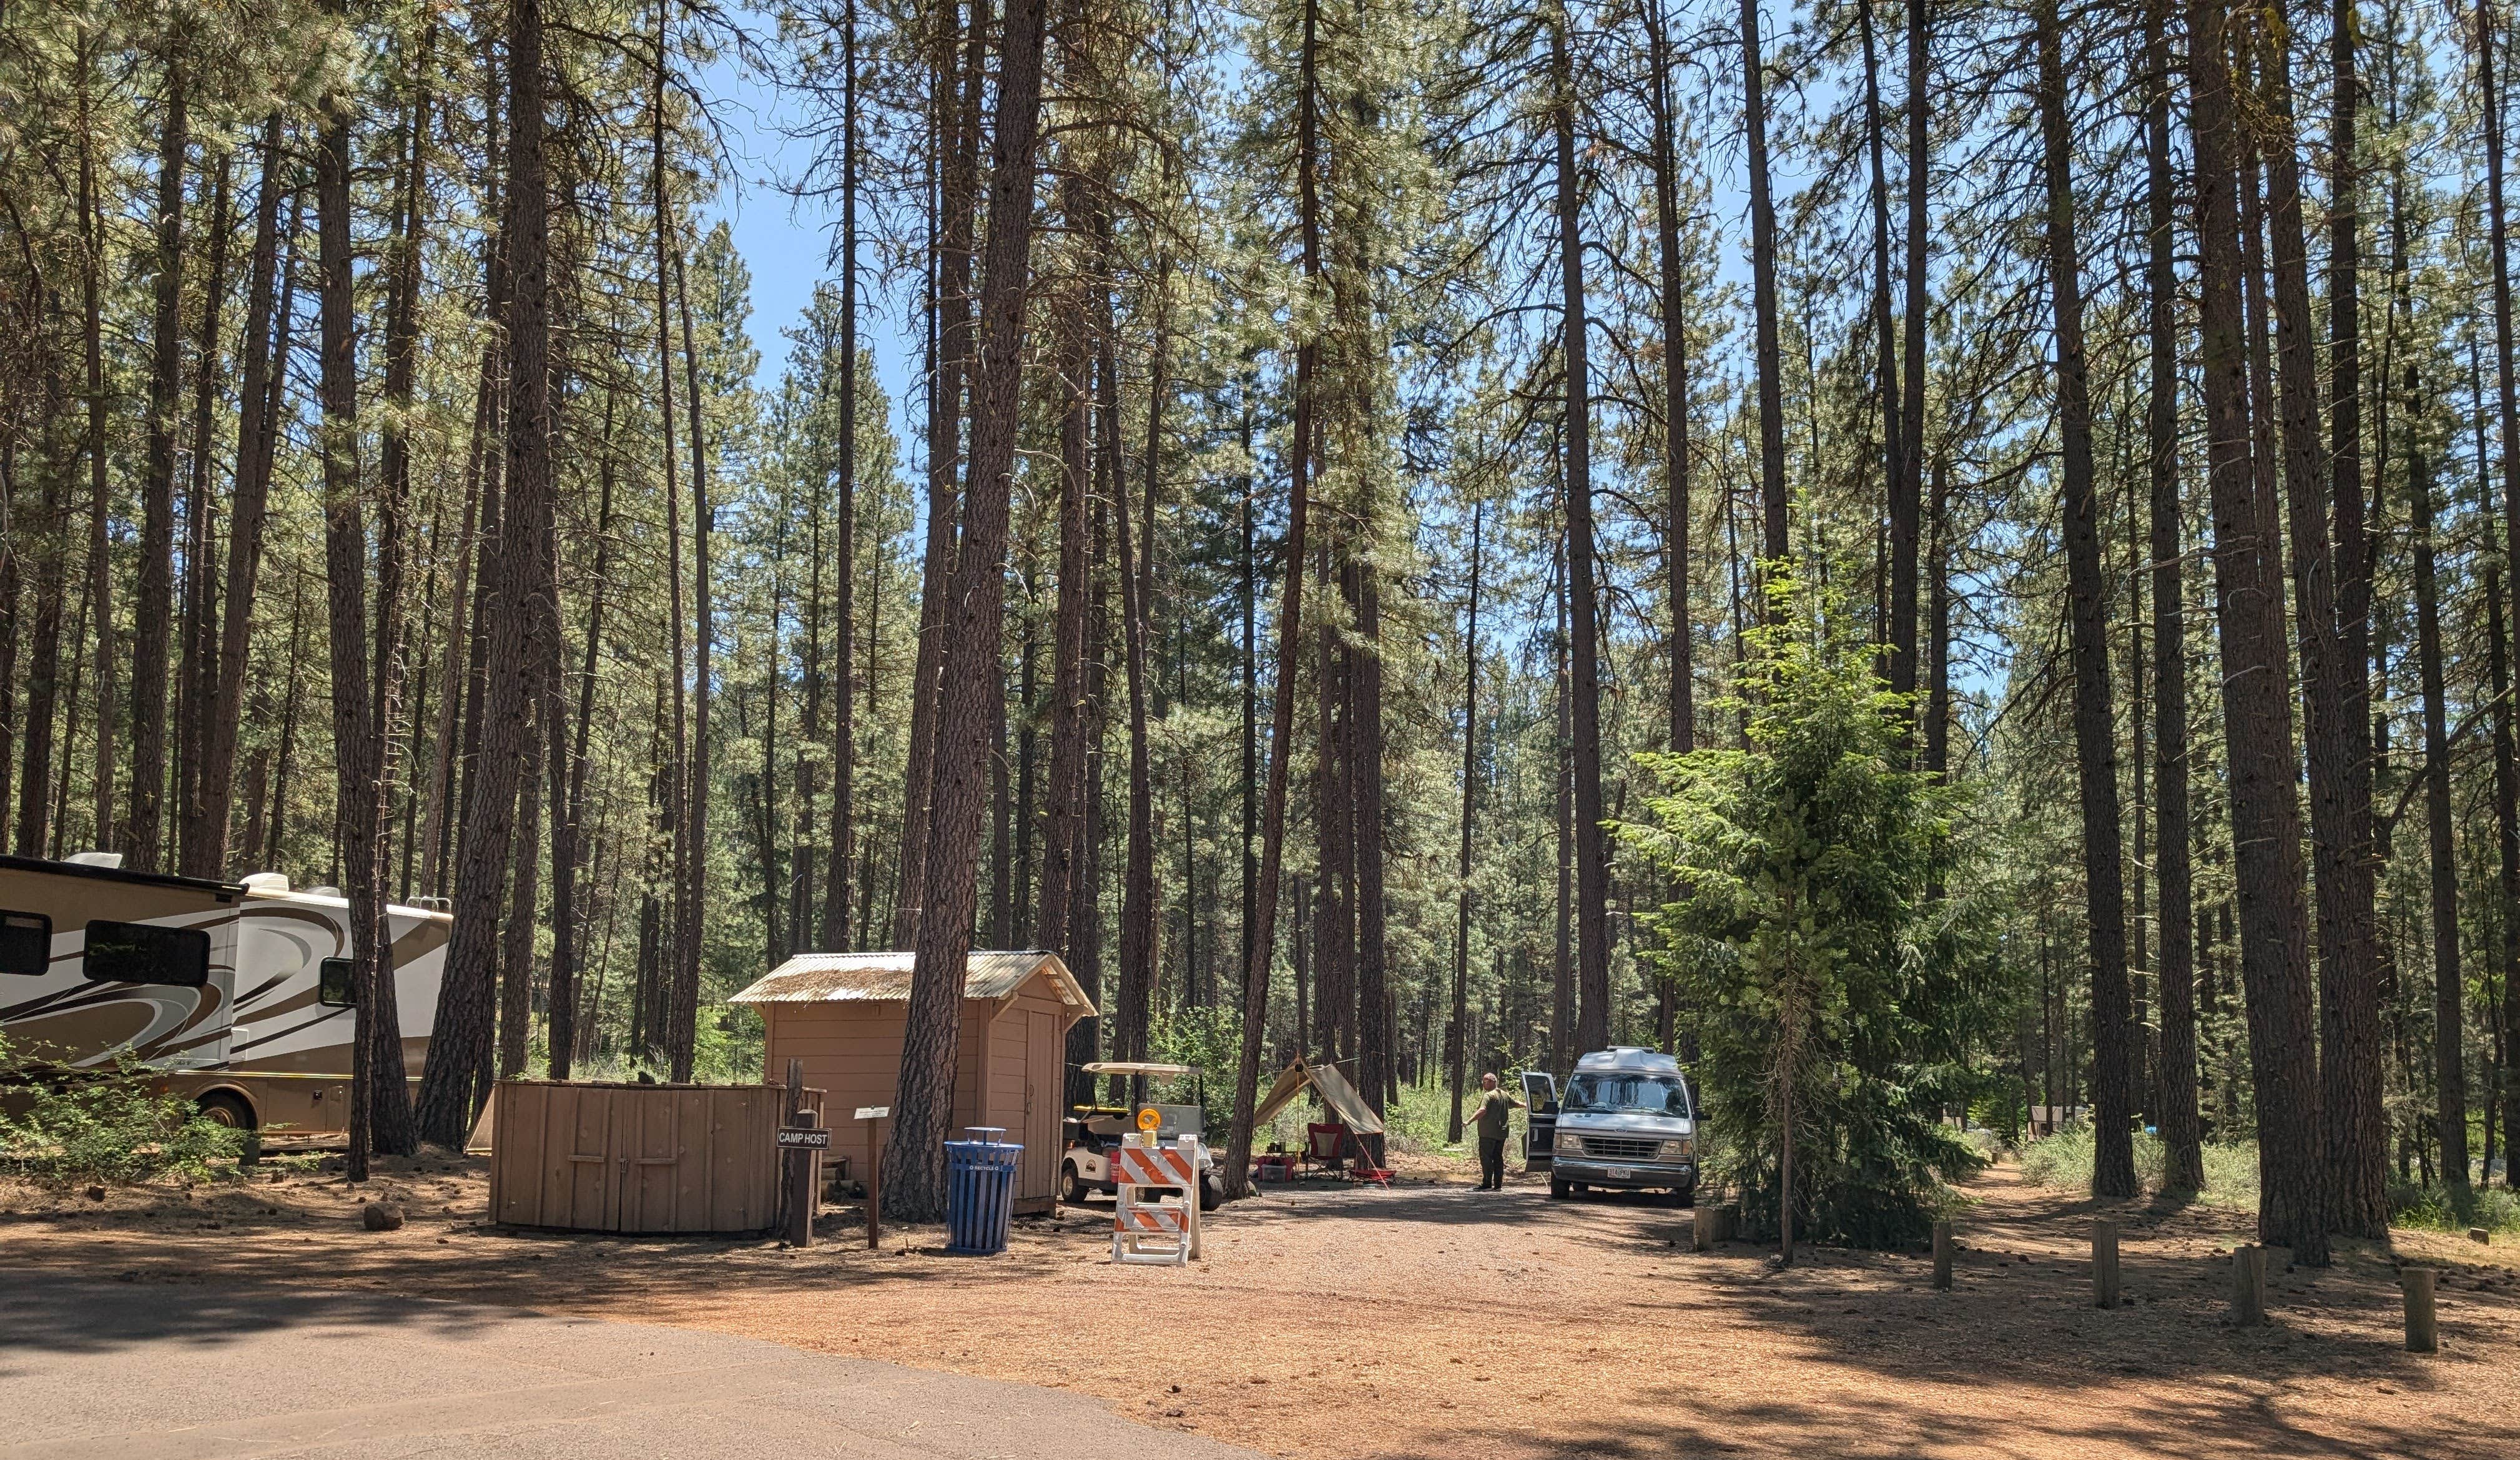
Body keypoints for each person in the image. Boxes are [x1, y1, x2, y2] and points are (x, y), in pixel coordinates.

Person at [1473, 1072, 1523, 1190]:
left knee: (1486, 1158)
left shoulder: (1489, 1096)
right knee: (1498, 1158)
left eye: (1484, 1082)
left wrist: (1469, 1121)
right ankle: (1498, 1185)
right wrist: (1528, 1105)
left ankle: (1487, 1183)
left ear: (1491, 1082)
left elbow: (1483, 1110)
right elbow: (1516, 1104)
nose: (1483, 1084)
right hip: (1502, 1133)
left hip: (1487, 1134)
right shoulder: (1504, 1095)